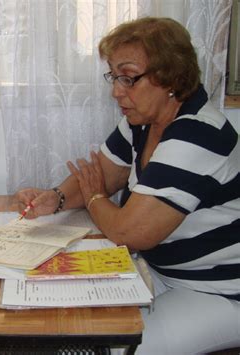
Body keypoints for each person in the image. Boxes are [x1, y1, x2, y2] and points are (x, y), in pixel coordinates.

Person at [16, 17, 240, 354]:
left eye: (128, 78)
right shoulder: (142, 121)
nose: (116, 91)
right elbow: (103, 173)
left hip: (218, 289)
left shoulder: (197, 133)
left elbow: (130, 232)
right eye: (114, 76)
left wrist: (93, 196)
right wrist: (57, 198)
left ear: (171, 78)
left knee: (117, 348)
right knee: (75, 328)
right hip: (163, 271)